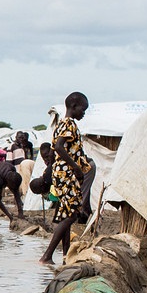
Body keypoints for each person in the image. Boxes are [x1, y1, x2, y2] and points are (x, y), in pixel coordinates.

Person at [39, 93, 93, 265]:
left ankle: (65, 257)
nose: (83, 113)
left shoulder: (65, 124)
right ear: (74, 106)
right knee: (71, 215)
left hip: (64, 173)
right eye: (82, 109)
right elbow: (59, 147)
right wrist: (76, 168)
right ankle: (47, 256)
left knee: (66, 215)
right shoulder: (68, 124)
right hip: (67, 173)